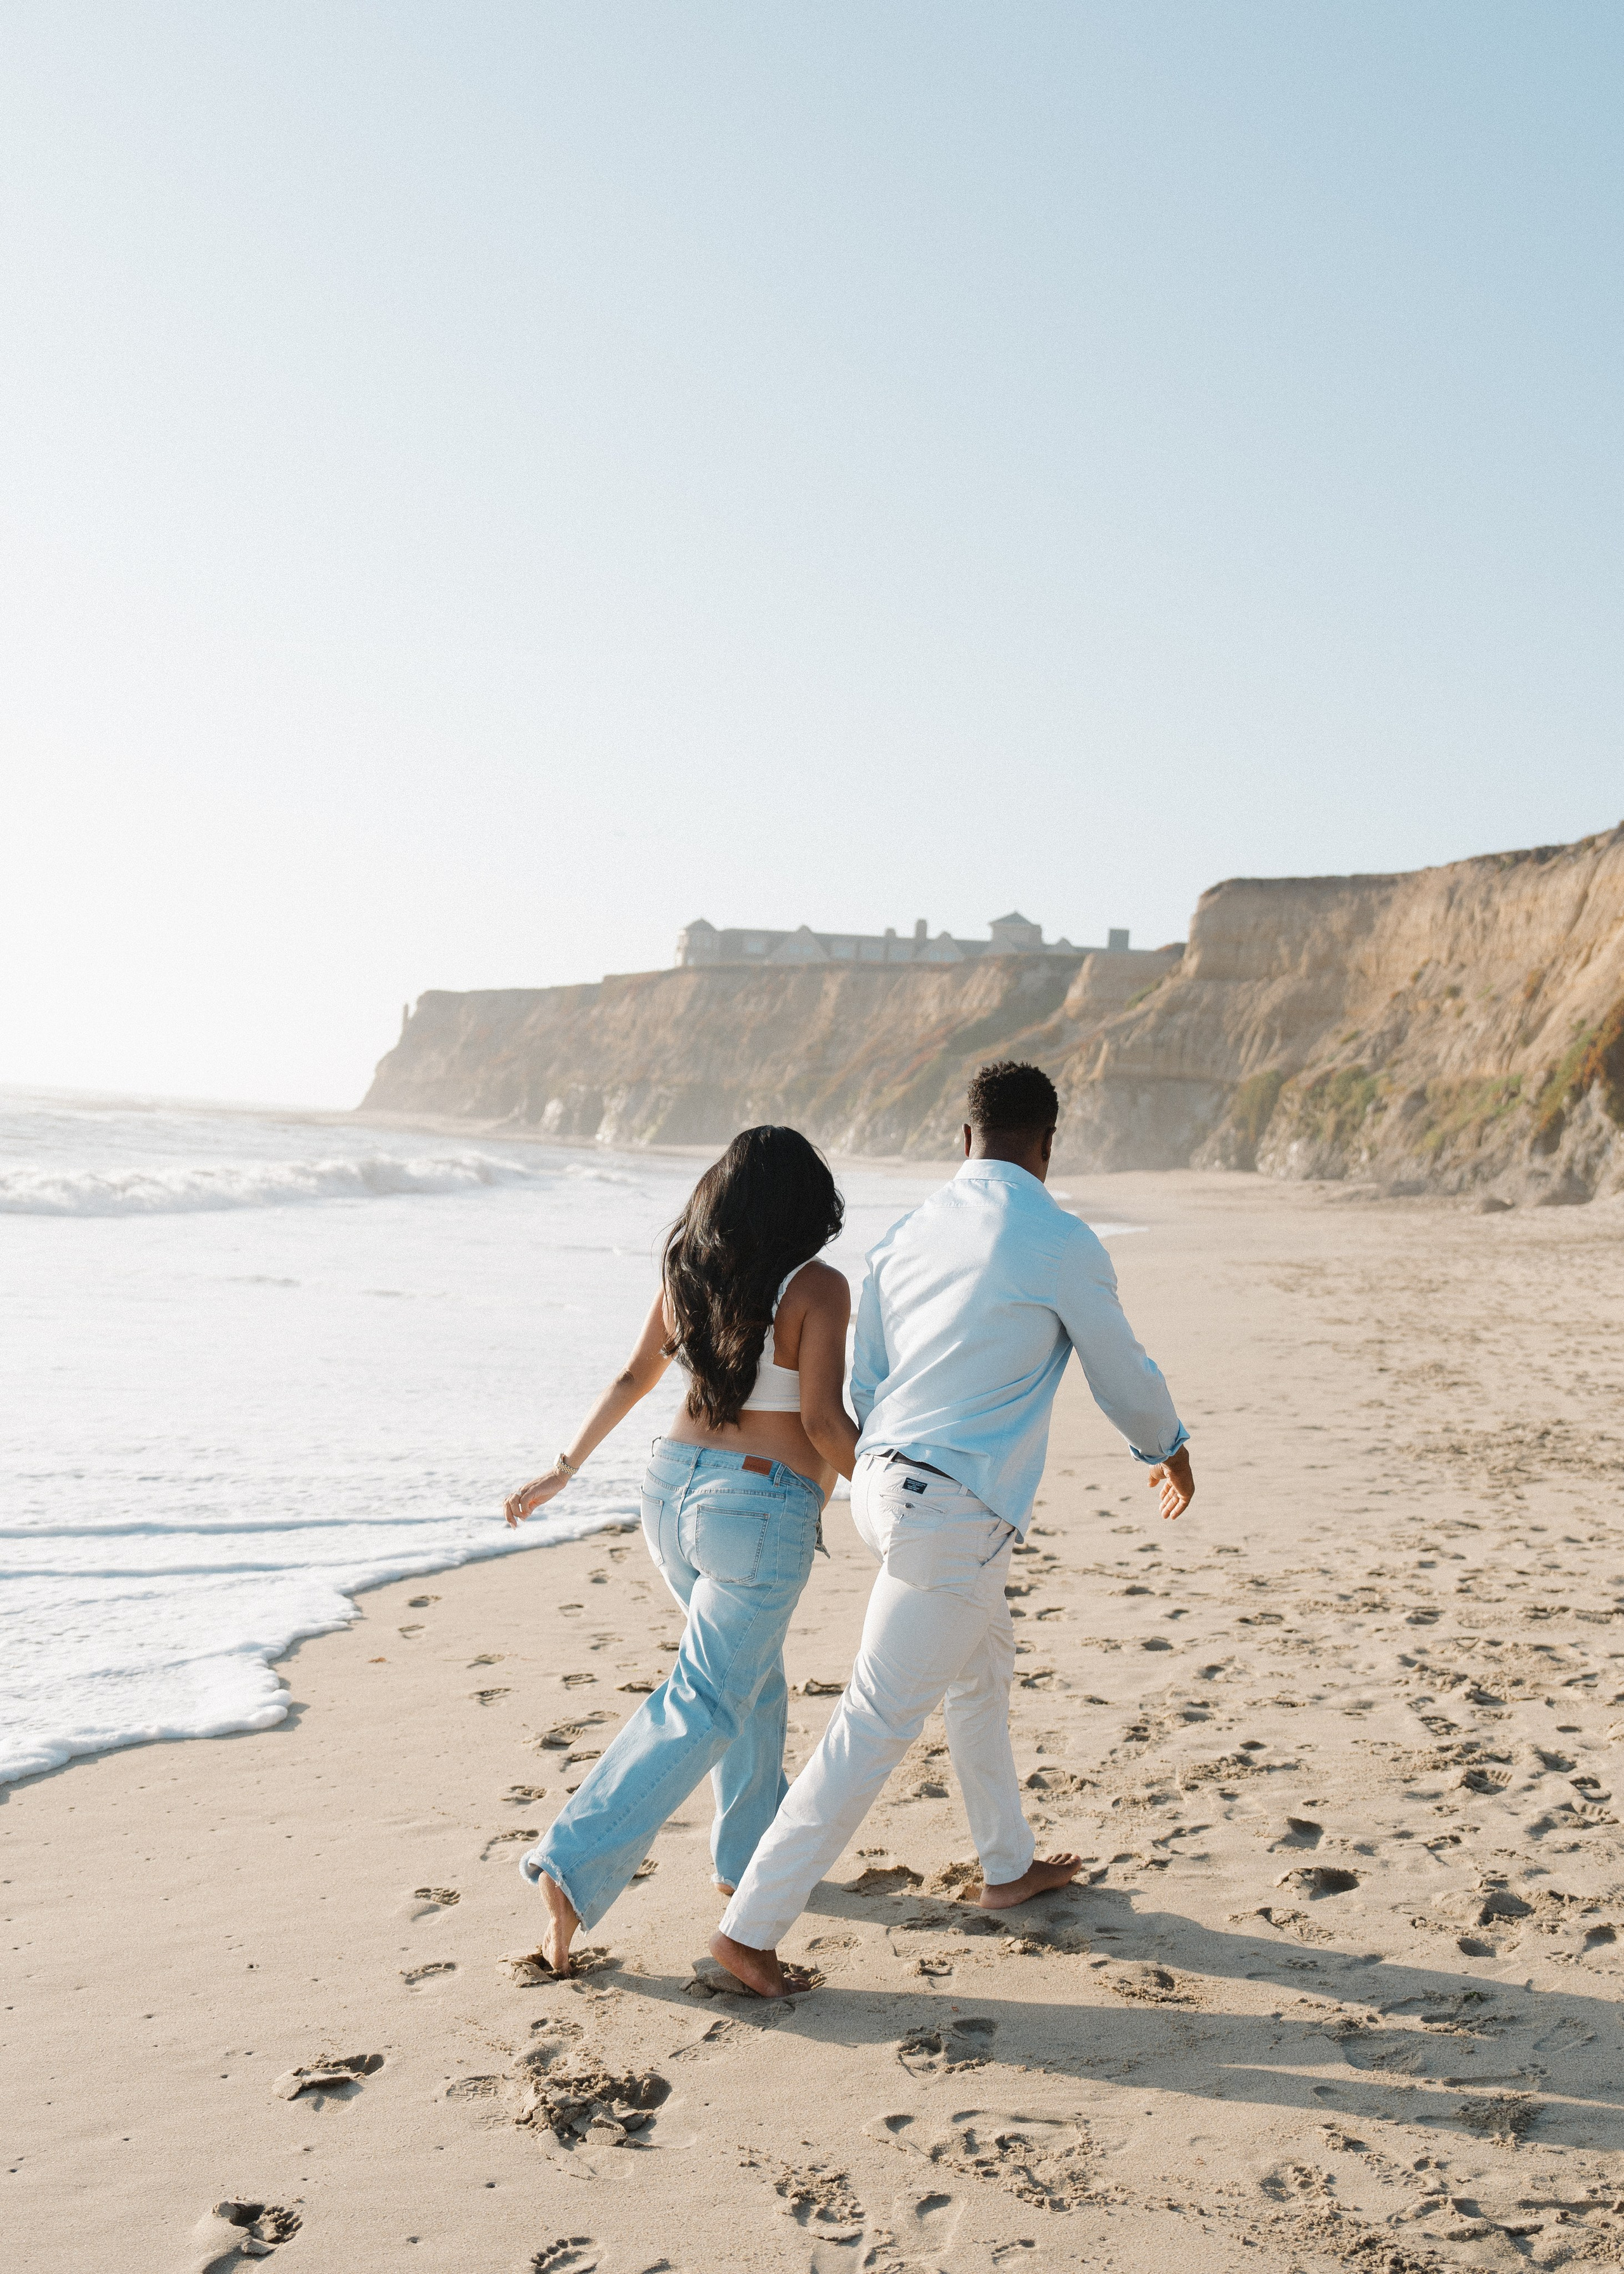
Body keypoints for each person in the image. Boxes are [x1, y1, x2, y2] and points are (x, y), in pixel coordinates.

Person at [710, 1060, 1194, 1997]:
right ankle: (749, 1929)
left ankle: (1007, 1865)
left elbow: (868, 1388)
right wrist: (1165, 1445)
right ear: (1046, 1148)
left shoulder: (905, 1237)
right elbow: (1118, 1368)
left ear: (963, 1138)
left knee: (983, 1669)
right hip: (956, 1510)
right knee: (875, 1720)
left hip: (889, 1490)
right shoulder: (1057, 1237)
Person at [504, 1124, 858, 1977]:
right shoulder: (817, 1287)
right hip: (756, 1509)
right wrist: (895, 1493)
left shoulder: (687, 1269)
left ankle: (747, 1861)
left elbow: (635, 1377)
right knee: (705, 1698)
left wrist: (564, 1468)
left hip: (668, 1492)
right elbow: (820, 1423)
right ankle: (571, 1867)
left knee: (750, 1678)